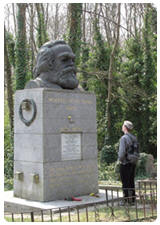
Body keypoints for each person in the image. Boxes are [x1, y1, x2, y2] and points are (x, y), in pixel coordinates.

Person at [118, 120, 138, 205]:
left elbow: (122, 152)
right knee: (131, 181)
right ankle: (132, 200)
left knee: (125, 182)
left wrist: (120, 160)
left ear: (125, 127)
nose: (122, 127)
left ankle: (126, 200)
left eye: (123, 125)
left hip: (125, 163)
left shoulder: (124, 138)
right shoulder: (134, 137)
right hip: (133, 162)